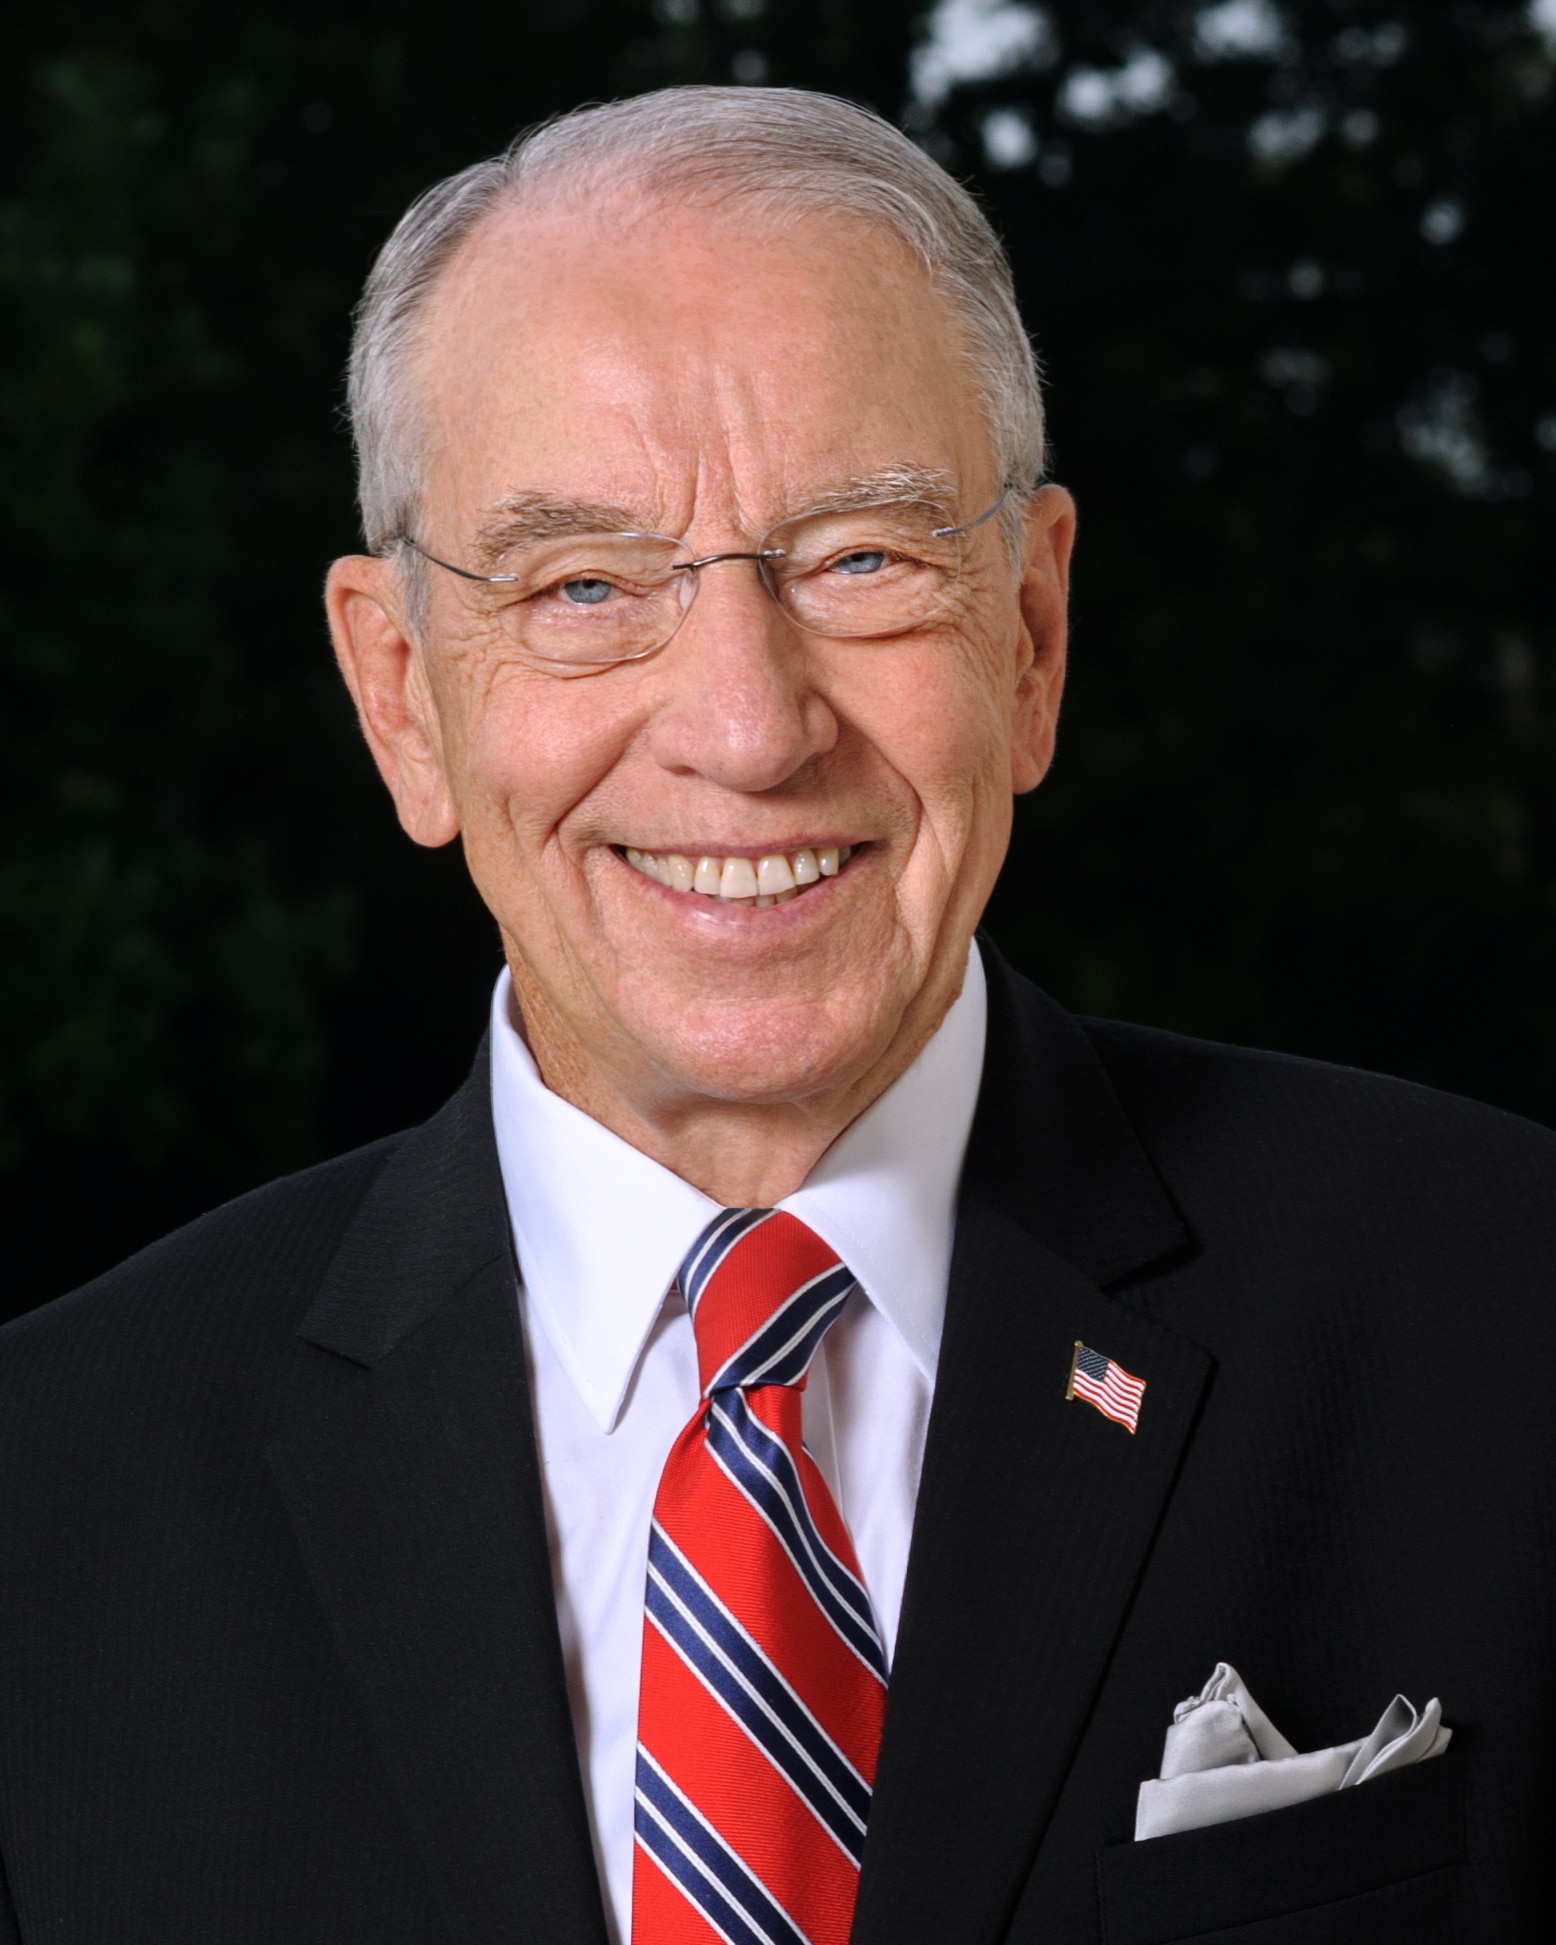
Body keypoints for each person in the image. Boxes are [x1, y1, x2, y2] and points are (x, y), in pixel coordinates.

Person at [0, 85, 1551, 1945]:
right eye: (583, 585)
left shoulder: (1509, 1308)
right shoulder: (47, 1494)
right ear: (401, 695)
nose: (748, 725)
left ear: (1034, 635)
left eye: (863, 560)